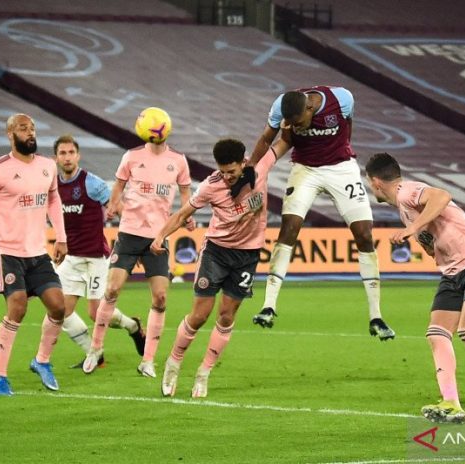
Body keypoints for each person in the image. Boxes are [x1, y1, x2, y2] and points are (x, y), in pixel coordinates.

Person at [365, 152, 465, 423]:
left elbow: (442, 196)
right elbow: (434, 243)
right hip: (451, 271)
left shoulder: (406, 191)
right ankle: (451, 403)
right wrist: (423, 241)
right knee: (436, 333)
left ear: (375, 182)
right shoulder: (404, 209)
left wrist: (413, 229)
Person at [243, 86, 394, 340]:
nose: (296, 127)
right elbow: (268, 138)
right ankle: (268, 306)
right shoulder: (283, 105)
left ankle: (376, 316)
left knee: (365, 235)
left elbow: (348, 128)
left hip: (341, 168)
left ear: (310, 108)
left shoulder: (342, 99)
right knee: (289, 228)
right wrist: (252, 168)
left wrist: (339, 151)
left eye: (299, 122)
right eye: (291, 124)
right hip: (305, 169)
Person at [154, 138, 279, 398]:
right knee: (199, 316)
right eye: (222, 171)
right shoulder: (211, 186)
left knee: (226, 316)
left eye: (231, 172)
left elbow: (282, 141)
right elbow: (182, 214)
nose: (227, 177)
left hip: (247, 255)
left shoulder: (260, 168)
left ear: (244, 162)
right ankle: (173, 363)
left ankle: (204, 373)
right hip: (216, 252)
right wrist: (159, 237)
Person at [82, 109, 193, 377]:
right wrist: (114, 204)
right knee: (111, 290)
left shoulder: (178, 160)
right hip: (130, 233)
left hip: (158, 236)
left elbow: (186, 192)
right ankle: (95, 349)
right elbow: (118, 185)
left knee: (161, 297)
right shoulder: (131, 157)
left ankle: (148, 361)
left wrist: (188, 215)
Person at [0, 113, 67, 395]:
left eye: (32, 128)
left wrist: (61, 237)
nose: (30, 132)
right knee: (18, 306)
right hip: (7, 251)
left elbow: (54, 199)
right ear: (10, 134)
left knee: (59, 307)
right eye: (23, 128)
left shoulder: (48, 166)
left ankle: (41, 361)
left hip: (37, 252)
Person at [54, 134, 146, 367]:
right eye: (62, 153)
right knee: (60, 310)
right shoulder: (52, 186)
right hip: (71, 258)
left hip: (96, 257)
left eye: (71, 152)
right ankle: (94, 355)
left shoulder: (91, 183)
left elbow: (120, 210)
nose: (67, 157)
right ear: (55, 157)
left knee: (96, 313)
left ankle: (132, 326)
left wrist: (134, 243)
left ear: (78, 155)